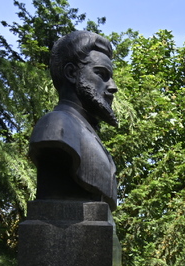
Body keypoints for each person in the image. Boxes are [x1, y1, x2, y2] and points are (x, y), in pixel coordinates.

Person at [28, 30, 118, 207]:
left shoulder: (86, 132)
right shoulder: (55, 126)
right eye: (102, 74)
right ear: (71, 73)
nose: (113, 87)